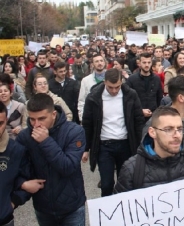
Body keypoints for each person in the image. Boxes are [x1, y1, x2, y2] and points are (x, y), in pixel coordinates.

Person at [16, 93, 86, 226]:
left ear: (53, 114)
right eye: (32, 119)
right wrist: (22, 183)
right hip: (43, 207)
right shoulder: (24, 137)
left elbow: (68, 167)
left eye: (41, 119)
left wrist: (46, 142)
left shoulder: (74, 132)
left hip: (72, 207)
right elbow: (16, 169)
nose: (36, 124)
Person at [82, 68, 145, 197]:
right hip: (104, 146)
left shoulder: (130, 95)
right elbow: (88, 123)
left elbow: (138, 120)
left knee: (127, 182)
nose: (114, 91)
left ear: (122, 82)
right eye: (110, 87)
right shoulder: (94, 97)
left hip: (125, 144)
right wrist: (86, 148)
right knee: (106, 184)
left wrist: (141, 144)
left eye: (117, 87)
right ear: (104, 82)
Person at [0, 101, 32, 226]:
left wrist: (13, 202)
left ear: (6, 120)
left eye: (1, 123)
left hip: (4, 220)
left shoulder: (16, 150)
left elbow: (28, 177)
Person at [126, 52, 163, 121]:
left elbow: (159, 98)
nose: (147, 65)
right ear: (139, 63)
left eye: (149, 62)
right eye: (144, 62)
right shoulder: (131, 79)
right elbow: (128, 100)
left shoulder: (156, 79)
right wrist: (140, 111)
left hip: (153, 117)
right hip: (137, 118)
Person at [78, 54, 106, 121]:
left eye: (101, 61)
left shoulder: (110, 78)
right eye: (96, 61)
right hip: (92, 116)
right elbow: (81, 100)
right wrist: (82, 118)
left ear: (104, 63)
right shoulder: (86, 80)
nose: (99, 63)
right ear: (92, 64)